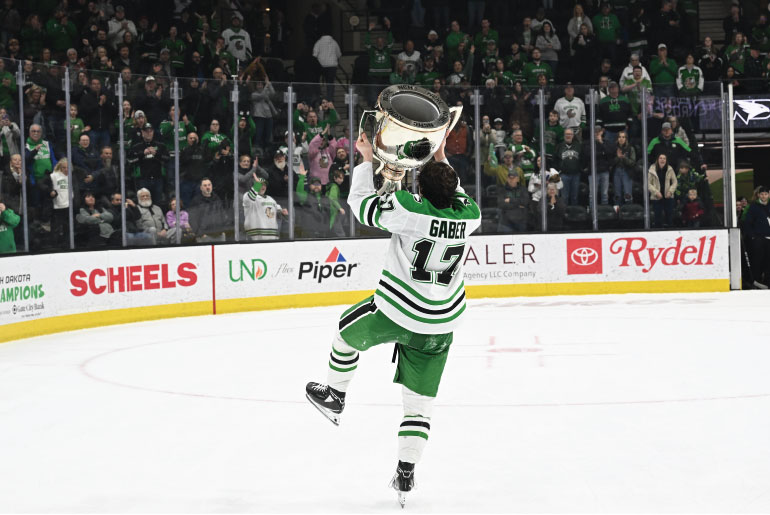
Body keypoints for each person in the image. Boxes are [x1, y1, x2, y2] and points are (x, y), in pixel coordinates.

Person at [305, 131, 481, 508]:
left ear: (421, 187)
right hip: (441, 324)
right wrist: (441, 153)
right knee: (418, 407)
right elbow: (454, 187)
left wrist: (367, 158)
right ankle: (405, 472)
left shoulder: (410, 209)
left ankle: (335, 395)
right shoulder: (470, 214)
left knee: (344, 335)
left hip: (400, 310)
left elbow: (362, 204)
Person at [243, 172, 287, 240]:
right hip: (255, 237)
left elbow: (279, 212)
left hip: (272, 236)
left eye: (264, 185)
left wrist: (283, 212)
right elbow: (250, 197)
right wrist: (257, 185)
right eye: (260, 184)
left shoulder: (271, 199)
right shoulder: (248, 197)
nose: (263, 186)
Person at [742, 186, 770, 288]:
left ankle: (767, 281)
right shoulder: (754, 206)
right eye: (762, 194)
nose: (764, 196)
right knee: (757, 260)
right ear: (758, 195)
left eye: (766, 194)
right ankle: (756, 281)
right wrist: (753, 237)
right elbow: (748, 223)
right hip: (759, 239)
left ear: (769, 194)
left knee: (768, 261)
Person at [188, 178, 228, 242]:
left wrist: (223, 230)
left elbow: (223, 215)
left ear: (212, 186)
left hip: (219, 235)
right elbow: (192, 219)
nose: (207, 187)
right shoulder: (196, 201)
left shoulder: (217, 199)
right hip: (204, 236)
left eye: (209, 185)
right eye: (205, 185)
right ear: (201, 188)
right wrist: (200, 234)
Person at [648, 153, 677, 228]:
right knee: (657, 217)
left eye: (664, 158)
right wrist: (656, 192)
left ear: (666, 160)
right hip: (657, 197)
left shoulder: (670, 169)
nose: (662, 160)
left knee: (669, 217)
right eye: (660, 158)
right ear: (657, 160)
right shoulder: (652, 169)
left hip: (668, 196)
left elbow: (675, 182)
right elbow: (648, 184)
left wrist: (670, 191)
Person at [612, 131, 637, 205]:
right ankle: (617, 214)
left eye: (623, 137)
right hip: (616, 172)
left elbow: (633, 162)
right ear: (617, 139)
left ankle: (629, 212)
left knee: (627, 194)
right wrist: (618, 157)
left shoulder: (630, 148)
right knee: (617, 195)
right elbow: (611, 162)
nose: (621, 139)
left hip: (627, 172)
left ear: (626, 139)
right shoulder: (614, 148)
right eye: (619, 137)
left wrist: (624, 158)